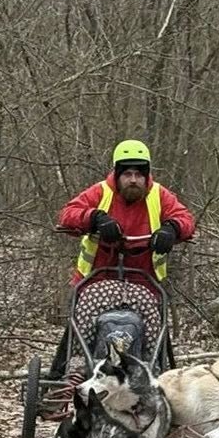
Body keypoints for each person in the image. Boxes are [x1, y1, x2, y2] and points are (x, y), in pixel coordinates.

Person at [51, 139, 195, 373]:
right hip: (96, 280)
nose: (133, 180)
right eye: (127, 174)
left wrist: (172, 229)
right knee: (81, 319)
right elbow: (68, 214)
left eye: (139, 174)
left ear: (147, 176)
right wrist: (95, 218)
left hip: (144, 283)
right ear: (117, 175)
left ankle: (149, 371)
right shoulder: (101, 192)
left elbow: (186, 219)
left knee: (153, 322)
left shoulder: (159, 195)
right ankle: (76, 369)